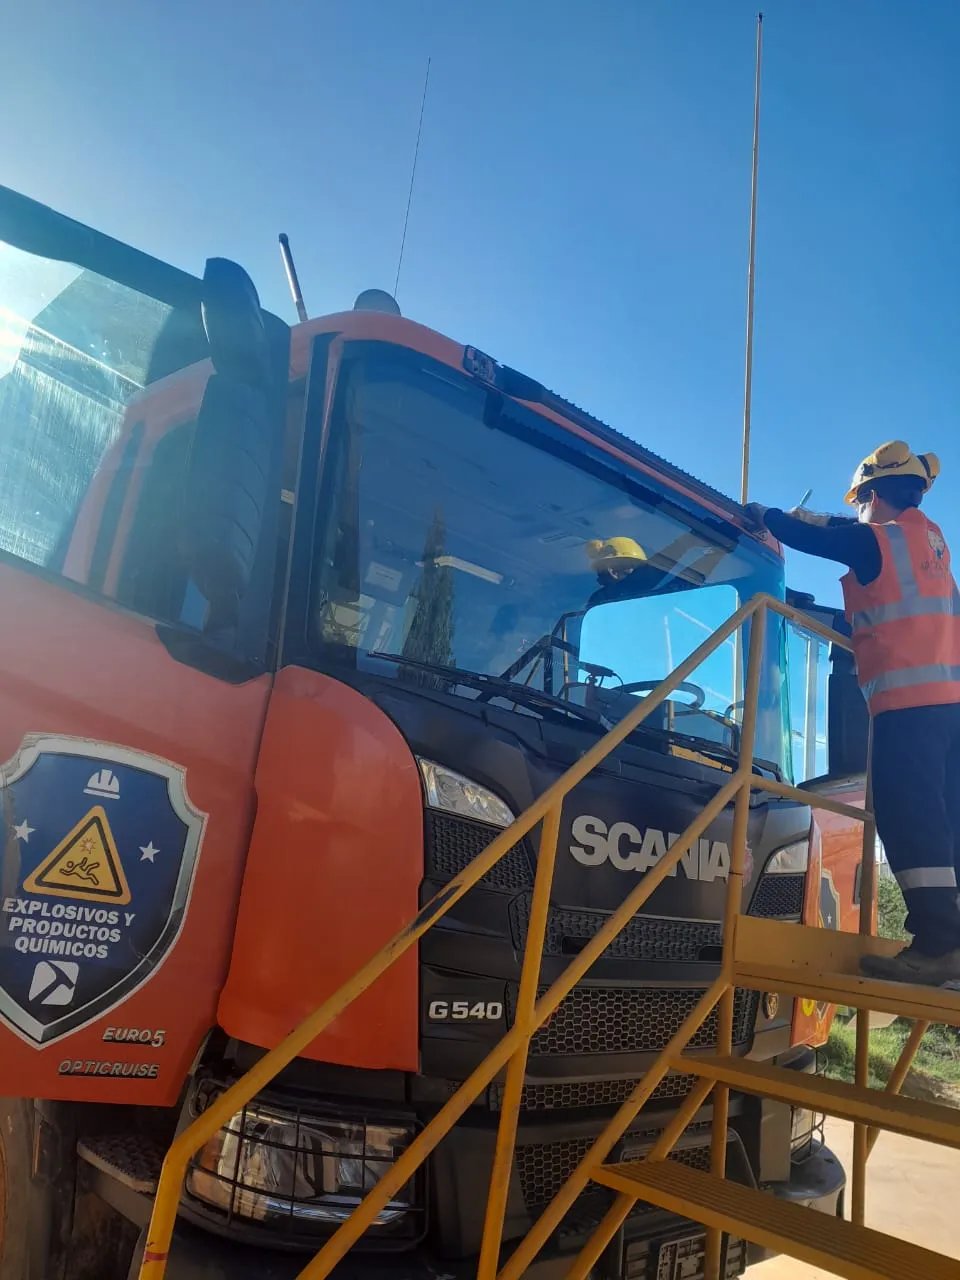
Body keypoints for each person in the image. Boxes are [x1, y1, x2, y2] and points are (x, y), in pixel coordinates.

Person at [746, 441, 960, 986]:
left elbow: (821, 537)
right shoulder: (931, 545)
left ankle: (938, 946)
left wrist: (766, 517)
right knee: (947, 823)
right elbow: (844, 528)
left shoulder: (878, 540)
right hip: (950, 708)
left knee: (908, 816)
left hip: (908, 707)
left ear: (870, 493)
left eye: (859, 500)